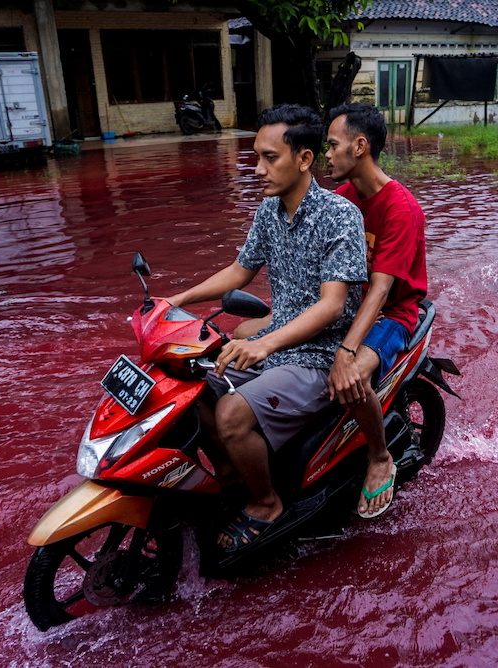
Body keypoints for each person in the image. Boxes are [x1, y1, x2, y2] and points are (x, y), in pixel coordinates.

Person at [164, 104, 367, 551]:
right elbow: (240, 271)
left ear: (305, 158)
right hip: (273, 344)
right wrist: (176, 300)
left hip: (320, 353)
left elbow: (332, 306)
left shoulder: (340, 216)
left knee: (231, 415)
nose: (258, 169)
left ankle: (265, 502)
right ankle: (235, 473)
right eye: (256, 157)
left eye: (269, 158)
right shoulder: (268, 211)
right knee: (191, 389)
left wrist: (265, 342)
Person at [324, 102, 428, 519]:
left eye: (332, 145)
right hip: (350, 304)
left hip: (392, 314)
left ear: (360, 146)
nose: (327, 154)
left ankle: (379, 454)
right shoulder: (343, 197)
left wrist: (347, 352)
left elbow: (383, 290)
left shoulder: (401, 208)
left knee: (351, 379)